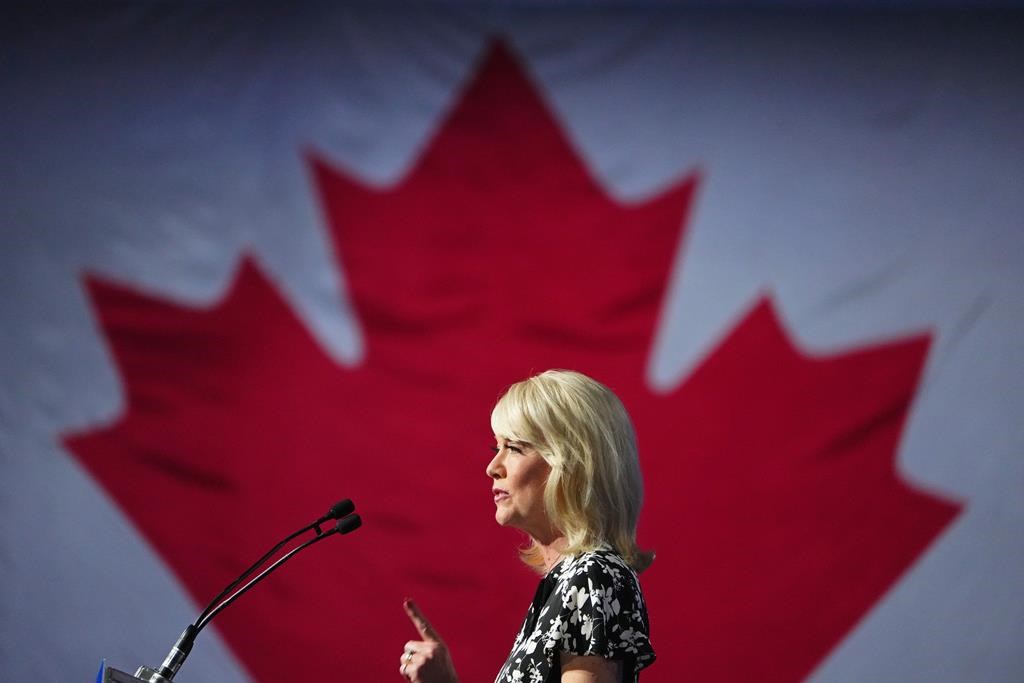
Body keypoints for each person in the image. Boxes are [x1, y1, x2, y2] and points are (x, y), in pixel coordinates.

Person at [399, 370, 656, 683]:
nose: (493, 467)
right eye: (497, 448)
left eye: (515, 448)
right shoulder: (569, 580)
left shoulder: (593, 577)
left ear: (572, 462)